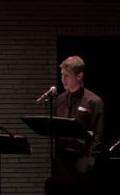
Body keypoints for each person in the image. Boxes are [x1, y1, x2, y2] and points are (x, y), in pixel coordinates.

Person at [45, 56, 105, 195]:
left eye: (67, 76)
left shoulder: (94, 101)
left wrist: (91, 159)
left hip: (83, 159)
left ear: (79, 76)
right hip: (62, 158)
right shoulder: (59, 99)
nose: (63, 80)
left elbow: (99, 134)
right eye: (62, 75)